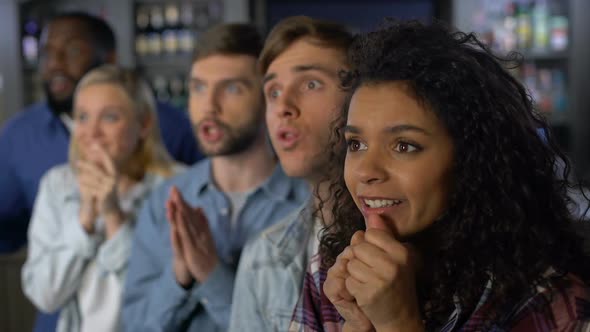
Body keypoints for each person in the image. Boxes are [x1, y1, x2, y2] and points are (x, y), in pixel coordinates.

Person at [292, 20, 590, 332]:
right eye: (357, 144)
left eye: (404, 145)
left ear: (472, 160)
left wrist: (397, 322)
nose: (366, 171)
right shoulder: (330, 275)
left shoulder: (548, 300)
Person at [122, 23, 308, 332]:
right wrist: (179, 276)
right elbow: (136, 326)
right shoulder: (166, 200)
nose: (209, 106)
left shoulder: (307, 206)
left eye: (232, 88)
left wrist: (210, 273)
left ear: (268, 97)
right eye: (198, 87)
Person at [0, 11, 201, 254]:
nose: (54, 63)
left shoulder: (172, 126)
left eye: (73, 51)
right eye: (47, 53)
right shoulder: (19, 137)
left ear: (109, 59)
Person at [21, 65, 180, 332]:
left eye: (110, 117)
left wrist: (113, 216)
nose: (91, 132)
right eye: (82, 117)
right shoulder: (57, 185)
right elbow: (45, 296)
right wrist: (84, 221)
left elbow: (163, 302)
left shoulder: (178, 187)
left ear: (143, 124)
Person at [228, 16, 353, 331]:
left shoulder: (419, 247)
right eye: (272, 92)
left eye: (310, 84)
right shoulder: (263, 255)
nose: (283, 106)